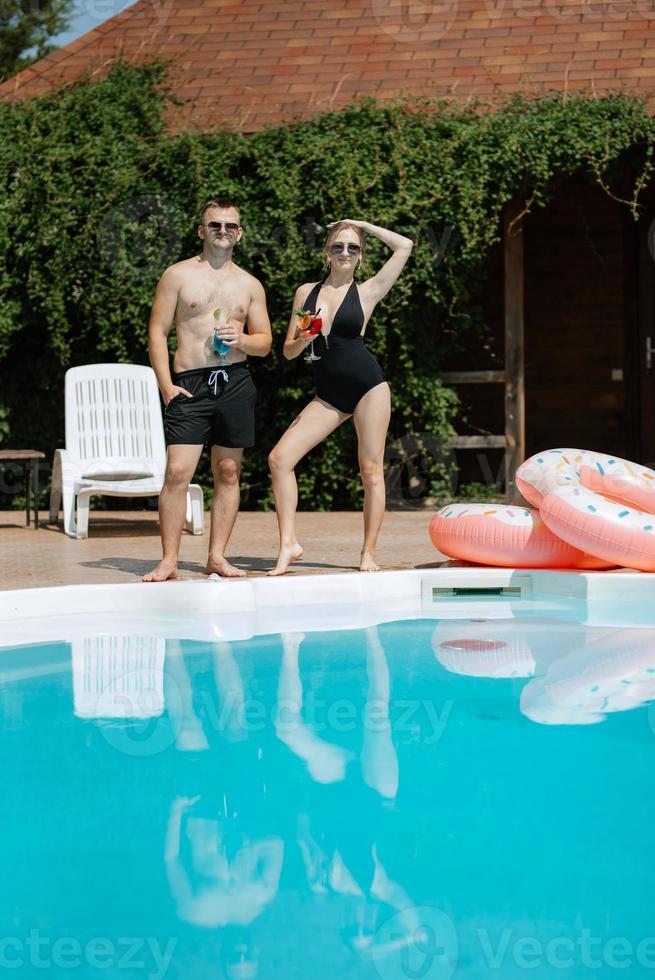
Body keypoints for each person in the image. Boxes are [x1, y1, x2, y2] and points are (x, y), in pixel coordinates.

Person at [267, 219, 412, 575]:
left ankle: (368, 553)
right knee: (279, 459)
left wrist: (358, 224)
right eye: (337, 246)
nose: (345, 253)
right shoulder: (307, 294)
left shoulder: (368, 291)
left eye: (353, 248)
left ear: (361, 256)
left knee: (371, 471)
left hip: (368, 388)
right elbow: (287, 352)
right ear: (326, 253)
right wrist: (305, 336)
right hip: (329, 394)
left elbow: (404, 245)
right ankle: (288, 544)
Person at [144, 199, 272, 582]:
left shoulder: (250, 284)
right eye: (214, 225)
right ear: (201, 231)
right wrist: (166, 385)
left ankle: (216, 556)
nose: (222, 232)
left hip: (234, 382)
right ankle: (169, 559)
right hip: (189, 384)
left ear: (240, 233)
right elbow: (157, 330)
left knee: (229, 472)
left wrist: (243, 340)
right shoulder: (177, 275)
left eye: (230, 226)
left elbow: (265, 342)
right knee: (178, 472)